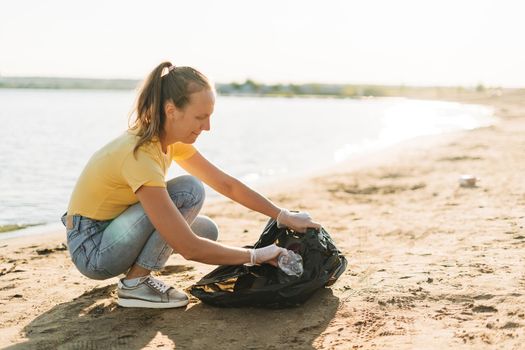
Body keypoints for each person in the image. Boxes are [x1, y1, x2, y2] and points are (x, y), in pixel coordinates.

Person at [61, 61, 321, 309]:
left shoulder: (170, 141)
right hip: (92, 247)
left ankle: (137, 274)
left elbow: (226, 185)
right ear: (171, 110)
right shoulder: (140, 154)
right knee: (189, 191)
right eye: (200, 117)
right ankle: (135, 284)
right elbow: (189, 248)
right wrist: (255, 256)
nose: (206, 127)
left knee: (207, 229)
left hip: (112, 228)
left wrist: (281, 215)